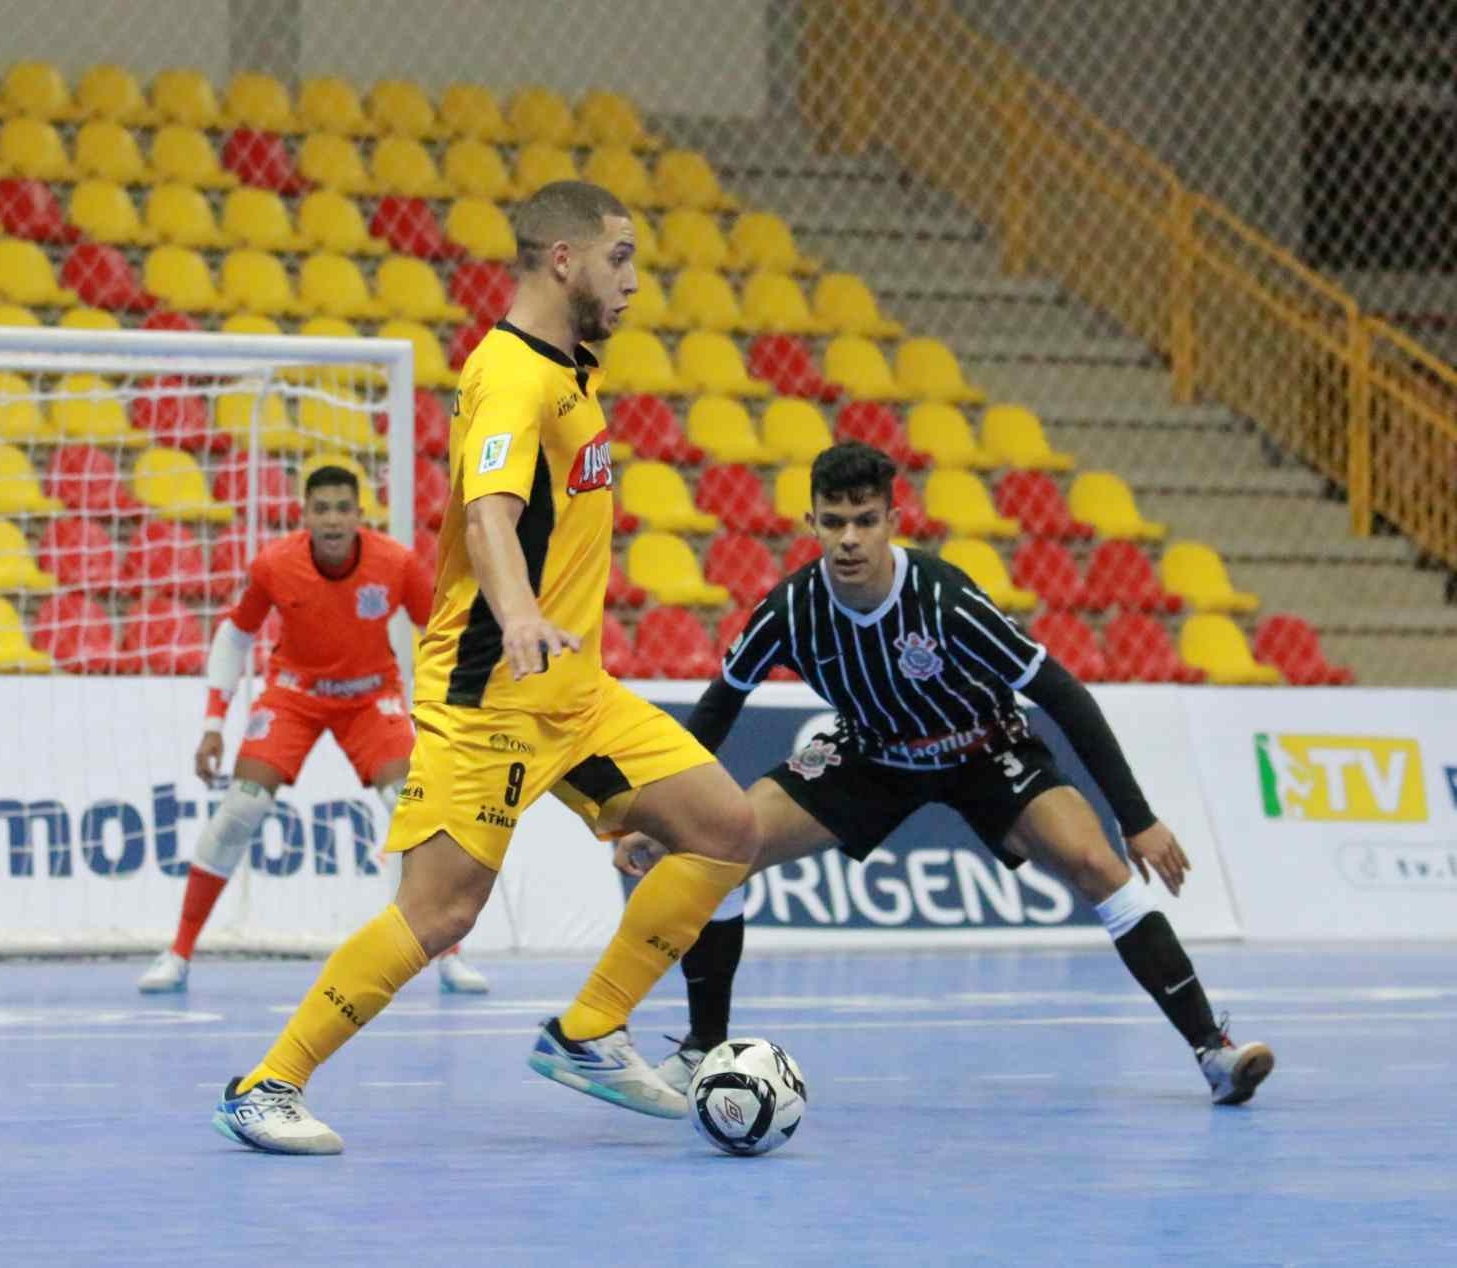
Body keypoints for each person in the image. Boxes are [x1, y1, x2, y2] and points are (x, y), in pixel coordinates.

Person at [212, 181, 759, 1155]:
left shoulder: (570, 372)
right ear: (562, 259)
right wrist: (514, 613)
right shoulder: (508, 376)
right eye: (619, 257)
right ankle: (266, 1082)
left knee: (724, 827)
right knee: (440, 910)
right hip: (494, 696)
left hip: (577, 696)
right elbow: (487, 516)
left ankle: (590, 1029)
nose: (634, 280)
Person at [618, 441, 1277, 1107]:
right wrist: (654, 814)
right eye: (833, 521)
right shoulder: (791, 611)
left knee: (1096, 865)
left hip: (981, 750)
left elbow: (1062, 695)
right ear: (809, 523)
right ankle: (703, 1051)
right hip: (869, 753)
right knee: (718, 843)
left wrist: (1135, 819)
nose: (848, 539)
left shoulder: (944, 600)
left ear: (892, 521)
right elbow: (716, 707)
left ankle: (1211, 1052)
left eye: (864, 520)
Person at [136, 464, 488, 996]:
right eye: (321, 509)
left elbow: (440, 631)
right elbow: (234, 636)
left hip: (370, 697)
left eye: (342, 508)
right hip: (295, 695)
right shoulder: (275, 565)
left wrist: (451, 710)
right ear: (305, 515)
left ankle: (449, 954)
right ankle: (178, 953)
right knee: (241, 809)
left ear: (358, 515)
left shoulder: (394, 564)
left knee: (410, 807)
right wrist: (214, 722)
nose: (332, 519)